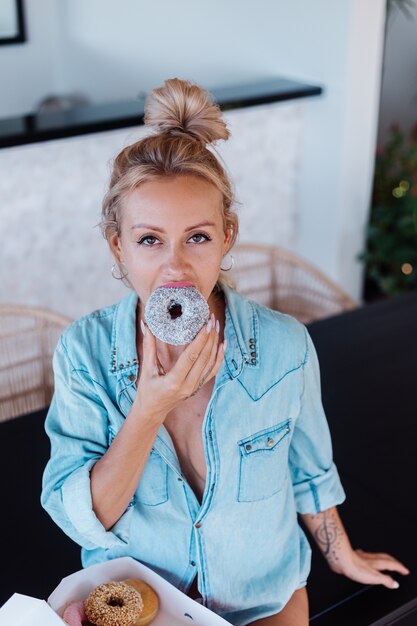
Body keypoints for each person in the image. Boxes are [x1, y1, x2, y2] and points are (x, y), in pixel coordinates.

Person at [41, 78, 409, 626]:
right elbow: (84, 519)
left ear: (227, 235)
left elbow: (307, 468)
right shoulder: (84, 355)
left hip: (264, 600)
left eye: (197, 237)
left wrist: (341, 554)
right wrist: (150, 408)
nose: (175, 268)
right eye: (149, 240)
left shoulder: (285, 346)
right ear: (117, 245)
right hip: (143, 607)